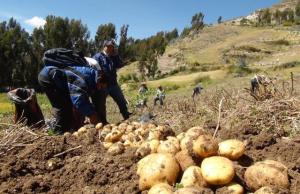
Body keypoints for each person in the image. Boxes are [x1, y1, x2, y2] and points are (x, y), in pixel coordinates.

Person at [38, 48, 101, 134]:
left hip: (55, 78)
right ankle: (58, 134)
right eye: (101, 86)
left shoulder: (89, 75)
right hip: (49, 78)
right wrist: (92, 115)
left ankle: (69, 128)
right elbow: (79, 100)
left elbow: (80, 96)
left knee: (68, 105)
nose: (100, 88)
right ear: (99, 80)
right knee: (62, 107)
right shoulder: (83, 77)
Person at [93, 39, 130, 124]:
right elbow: (95, 71)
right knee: (101, 105)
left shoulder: (113, 57)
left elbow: (120, 65)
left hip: (114, 84)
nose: (110, 48)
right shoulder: (97, 57)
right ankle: (103, 122)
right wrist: (101, 82)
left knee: (121, 101)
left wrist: (116, 55)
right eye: (109, 46)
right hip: (103, 85)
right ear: (104, 47)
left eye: (112, 47)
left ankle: (126, 117)